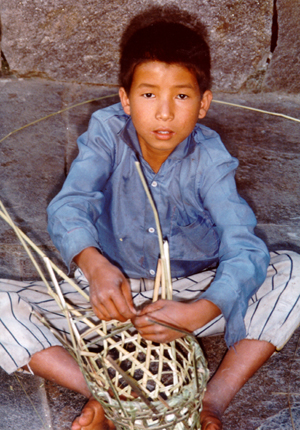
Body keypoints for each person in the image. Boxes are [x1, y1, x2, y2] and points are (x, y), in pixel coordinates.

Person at [1, 9, 299, 430]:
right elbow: (70, 204)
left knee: (294, 274)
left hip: (188, 295)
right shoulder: (106, 131)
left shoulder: (210, 159)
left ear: (203, 104)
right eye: (147, 95)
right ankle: (108, 392)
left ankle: (209, 400)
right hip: (107, 297)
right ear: (125, 99)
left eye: (181, 96)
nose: (163, 113)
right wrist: (93, 263)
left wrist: (201, 310)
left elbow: (243, 245)